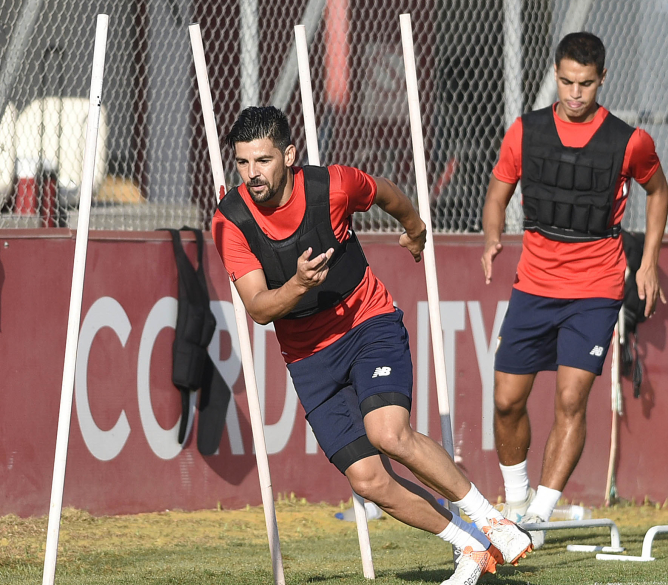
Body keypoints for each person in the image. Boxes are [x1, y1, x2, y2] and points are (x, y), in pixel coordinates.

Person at [211, 107, 532, 585]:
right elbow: (258, 308)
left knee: (388, 433)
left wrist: (415, 226)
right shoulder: (231, 219)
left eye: (262, 160)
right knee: (367, 480)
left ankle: (492, 521)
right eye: (242, 163)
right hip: (308, 357)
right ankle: (469, 545)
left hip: (367, 322)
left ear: (289, 155)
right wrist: (299, 285)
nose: (252, 174)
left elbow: (382, 192)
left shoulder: (331, 186)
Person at [481, 32, 668, 543]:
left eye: (585, 84)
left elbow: (658, 191)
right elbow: (498, 193)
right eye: (566, 82)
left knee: (570, 398)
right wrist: (493, 235)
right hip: (535, 282)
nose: (574, 93)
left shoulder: (629, 140)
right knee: (505, 400)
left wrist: (648, 262)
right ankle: (515, 501)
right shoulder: (526, 132)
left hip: (596, 286)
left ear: (601, 80)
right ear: (556, 76)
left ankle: (539, 514)